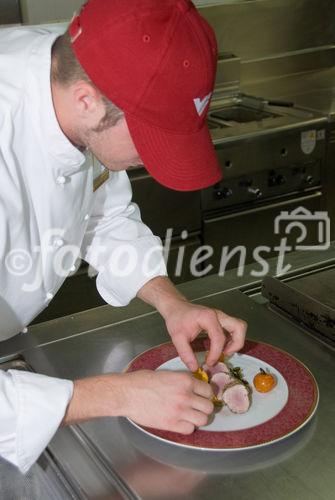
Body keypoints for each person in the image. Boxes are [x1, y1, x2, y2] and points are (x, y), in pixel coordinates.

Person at [0, 0, 247, 475]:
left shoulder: (77, 74)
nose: (156, 162)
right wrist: (120, 393)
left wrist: (171, 302)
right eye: (151, 139)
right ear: (88, 100)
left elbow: (104, 216)